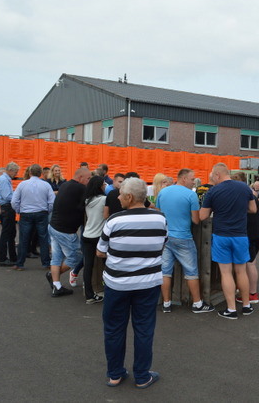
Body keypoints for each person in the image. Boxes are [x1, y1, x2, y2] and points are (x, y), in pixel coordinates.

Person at [97, 177, 166, 389]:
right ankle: (142, 376)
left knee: (114, 329)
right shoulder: (160, 219)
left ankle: (115, 374)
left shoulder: (114, 221)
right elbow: (162, 244)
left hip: (117, 284)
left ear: (129, 197)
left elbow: (100, 251)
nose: (118, 197)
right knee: (144, 329)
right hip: (148, 283)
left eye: (120, 194)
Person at [199, 163, 256, 320]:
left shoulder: (213, 191)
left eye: (213, 176)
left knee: (226, 273)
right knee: (241, 271)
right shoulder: (245, 188)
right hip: (240, 236)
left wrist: (216, 209)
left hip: (222, 236)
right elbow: (253, 209)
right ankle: (246, 305)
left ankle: (231, 309)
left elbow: (202, 216)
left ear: (217, 175)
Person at [156, 168, 214, 314]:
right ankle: (197, 304)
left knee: (165, 271)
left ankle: (166, 303)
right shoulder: (190, 195)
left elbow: (159, 213)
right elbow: (196, 220)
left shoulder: (163, 192)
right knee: (191, 271)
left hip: (166, 237)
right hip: (183, 237)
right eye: (192, 179)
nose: (194, 182)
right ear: (183, 178)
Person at [46, 167, 91, 297]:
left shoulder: (65, 185)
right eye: (88, 178)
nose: (89, 181)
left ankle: (56, 286)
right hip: (65, 231)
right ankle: (53, 275)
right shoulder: (80, 188)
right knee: (76, 258)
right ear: (80, 177)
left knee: (56, 257)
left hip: (53, 226)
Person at [11, 164, 55, 270]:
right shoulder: (46, 185)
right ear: (41, 173)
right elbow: (52, 201)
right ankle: (46, 263)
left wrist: (19, 210)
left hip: (26, 213)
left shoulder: (22, 184)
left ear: (30, 172)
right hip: (42, 213)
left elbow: (14, 201)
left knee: (24, 239)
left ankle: (20, 263)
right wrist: (47, 210)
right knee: (43, 238)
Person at [232, 172, 259, 304]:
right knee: (251, 262)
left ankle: (252, 294)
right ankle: (249, 291)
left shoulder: (241, 195)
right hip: (258, 231)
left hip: (248, 232)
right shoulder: (251, 194)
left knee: (249, 264)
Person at [82, 176, 108, 304]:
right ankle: (109, 290)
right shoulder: (104, 199)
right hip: (99, 236)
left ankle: (89, 295)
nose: (105, 186)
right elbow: (106, 216)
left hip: (87, 235)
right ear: (99, 186)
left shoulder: (87, 200)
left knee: (88, 266)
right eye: (103, 184)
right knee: (107, 264)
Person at [0, 162, 20, 266]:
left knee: (10, 233)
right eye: (16, 172)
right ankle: (3, 258)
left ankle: (13, 257)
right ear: (10, 170)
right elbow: (7, 196)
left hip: (6, 208)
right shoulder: (4, 180)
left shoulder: (4, 179)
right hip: (7, 207)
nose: (16, 174)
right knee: (7, 233)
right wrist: (18, 196)